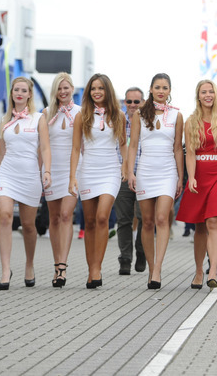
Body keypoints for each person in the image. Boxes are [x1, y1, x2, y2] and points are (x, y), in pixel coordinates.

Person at [0, 77, 52, 290]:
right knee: (5, 215)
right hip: (6, 174)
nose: (19, 93)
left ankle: (29, 264)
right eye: (16, 89)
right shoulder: (4, 119)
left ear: (29, 94)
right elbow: (1, 152)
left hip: (29, 176)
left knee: (28, 225)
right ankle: (5, 270)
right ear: (12, 93)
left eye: (23, 90)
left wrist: (46, 170)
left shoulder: (38, 118)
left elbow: (45, 148)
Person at [127, 73, 183, 290]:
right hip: (145, 171)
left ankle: (158, 269)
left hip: (168, 171)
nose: (161, 91)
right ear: (150, 89)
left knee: (162, 218)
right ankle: (151, 268)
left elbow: (178, 148)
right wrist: (131, 173)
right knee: (147, 221)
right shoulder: (140, 114)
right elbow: (133, 146)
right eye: (157, 87)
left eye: (165, 87)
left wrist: (179, 176)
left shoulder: (177, 115)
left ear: (170, 91)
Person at [70, 73, 126, 289]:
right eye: (93, 88)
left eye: (100, 88)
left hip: (110, 171)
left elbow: (123, 144)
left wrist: (126, 167)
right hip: (87, 171)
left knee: (103, 217)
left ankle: (97, 269)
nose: (97, 92)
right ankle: (91, 268)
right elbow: (76, 148)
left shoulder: (118, 115)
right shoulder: (82, 115)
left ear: (107, 91)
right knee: (90, 221)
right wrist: (72, 176)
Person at [177, 80, 217, 290]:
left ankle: (212, 270)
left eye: (211, 92)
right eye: (204, 92)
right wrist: (191, 177)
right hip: (199, 177)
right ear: (198, 96)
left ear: (215, 95)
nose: (208, 95)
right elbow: (190, 152)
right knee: (199, 226)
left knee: (214, 223)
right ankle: (199, 270)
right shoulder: (191, 121)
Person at [43, 73, 80, 287]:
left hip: (73, 169)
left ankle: (63, 267)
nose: (63, 92)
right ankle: (56, 262)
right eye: (59, 88)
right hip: (51, 169)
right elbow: (43, 145)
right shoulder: (47, 114)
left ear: (72, 88)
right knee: (54, 218)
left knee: (67, 215)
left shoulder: (81, 113)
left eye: (66, 87)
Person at [115, 87, 146, 275]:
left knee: (144, 218)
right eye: (129, 102)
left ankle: (141, 251)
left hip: (144, 175)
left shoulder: (148, 121)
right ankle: (125, 258)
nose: (133, 105)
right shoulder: (118, 121)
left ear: (143, 102)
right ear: (124, 103)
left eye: (137, 101)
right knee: (123, 220)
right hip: (123, 176)